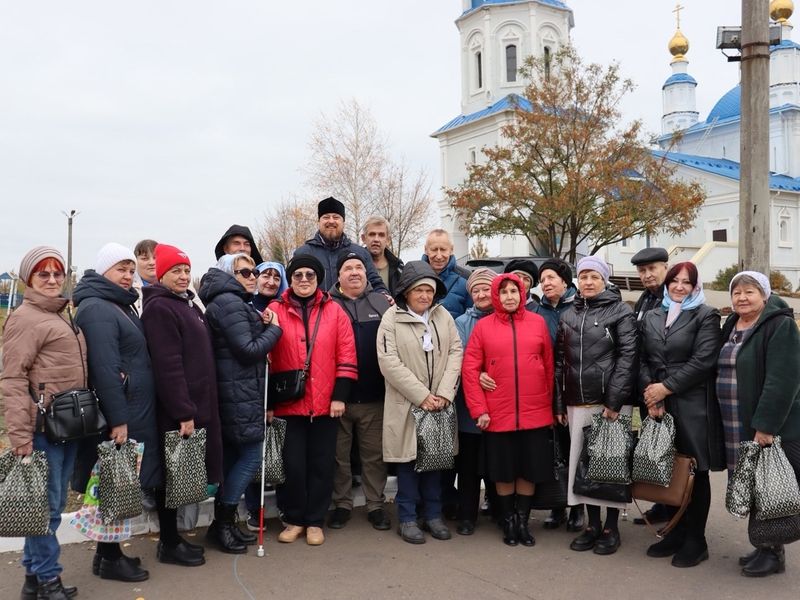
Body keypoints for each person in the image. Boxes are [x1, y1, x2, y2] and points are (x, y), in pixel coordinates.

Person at [73, 244, 171, 581]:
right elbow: (105, 368)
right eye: (121, 269)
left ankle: (106, 555)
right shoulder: (98, 308)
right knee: (115, 484)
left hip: (133, 409)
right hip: (122, 414)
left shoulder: (117, 305)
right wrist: (118, 420)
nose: (129, 275)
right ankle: (111, 558)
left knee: (119, 484)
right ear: (103, 271)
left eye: (131, 269)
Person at [1, 247, 82, 600]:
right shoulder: (25, 318)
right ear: (28, 279)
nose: (52, 280)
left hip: (68, 426)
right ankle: (49, 580)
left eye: (56, 273)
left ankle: (34, 581)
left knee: (49, 507)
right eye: (43, 274)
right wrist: (20, 436)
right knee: (46, 510)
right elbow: (12, 378)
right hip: (43, 431)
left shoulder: (60, 313)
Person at [638, 261, 724, 567]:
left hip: (692, 404)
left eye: (686, 282)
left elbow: (704, 361)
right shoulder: (652, 315)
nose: (679, 287)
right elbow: (643, 358)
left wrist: (666, 388)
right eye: (675, 281)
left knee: (694, 471)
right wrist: (651, 392)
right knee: (668, 467)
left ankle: (696, 540)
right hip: (658, 402)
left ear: (695, 286)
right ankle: (675, 531)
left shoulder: (705, 315)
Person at [268, 254, 357, 546]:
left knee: (321, 465)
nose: (303, 280)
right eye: (298, 275)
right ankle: (294, 518)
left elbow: (346, 354)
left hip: (324, 405)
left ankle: (315, 520)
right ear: (290, 279)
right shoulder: (274, 309)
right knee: (292, 466)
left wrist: (339, 396)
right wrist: (268, 403)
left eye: (309, 275)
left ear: (318, 279)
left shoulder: (335, 311)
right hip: (287, 405)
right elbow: (265, 360)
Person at [141, 244, 224, 554]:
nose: (183, 276)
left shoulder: (187, 303)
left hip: (200, 402)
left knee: (181, 473)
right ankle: (169, 542)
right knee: (171, 474)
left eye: (187, 270)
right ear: (161, 274)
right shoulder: (160, 308)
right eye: (175, 270)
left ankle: (174, 540)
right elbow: (168, 366)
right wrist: (183, 412)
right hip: (180, 409)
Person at [462, 273, 555, 547]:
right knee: (504, 471)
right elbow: (470, 370)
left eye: (514, 291)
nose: (509, 297)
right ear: (496, 297)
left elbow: (549, 368)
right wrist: (479, 409)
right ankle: (509, 521)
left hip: (534, 412)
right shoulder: (483, 328)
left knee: (527, 470)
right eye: (503, 292)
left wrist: (550, 407)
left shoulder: (537, 323)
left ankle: (523, 522)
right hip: (497, 413)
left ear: (522, 293)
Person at [717, 271, 800, 577]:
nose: (742, 297)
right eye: (736, 292)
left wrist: (765, 425)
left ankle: (774, 552)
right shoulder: (732, 325)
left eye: (749, 291)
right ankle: (763, 544)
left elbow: (783, 380)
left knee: (769, 485)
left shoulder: (780, 325)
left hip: (767, 426)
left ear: (764, 295)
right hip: (734, 421)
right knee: (752, 484)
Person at [199, 253, 283, 553]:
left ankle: (225, 522)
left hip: (239, 390)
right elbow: (247, 350)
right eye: (244, 272)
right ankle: (222, 522)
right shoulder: (230, 302)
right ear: (228, 274)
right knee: (250, 456)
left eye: (253, 271)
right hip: (237, 393)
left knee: (237, 459)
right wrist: (274, 329)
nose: (252, 276)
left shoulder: (230, 302)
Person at [554, 255, 637, 556]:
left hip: (610, 405)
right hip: (578, 402)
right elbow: (560, 363)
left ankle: (611, 527)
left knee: (610, 466)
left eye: (594, 277)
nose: (588, 282)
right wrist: (560, 403)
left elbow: (628, 360)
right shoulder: (568, 315)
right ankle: (591, 524)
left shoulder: (621, 312)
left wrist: (614, 402)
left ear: (604, 280)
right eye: (584, 276)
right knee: (582, 466)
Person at [377, 261, 463, 544]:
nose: (425, 296)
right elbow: (389, 363)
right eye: (419, 290)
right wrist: (422, 396)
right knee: (408, 463)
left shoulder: (443, 317)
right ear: (406, 292)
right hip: (408, 404)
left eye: (429, 290)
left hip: (439, 403)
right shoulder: (391, 319)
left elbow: (454, 351)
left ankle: (434, 515)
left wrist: (443, 393)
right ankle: (407, 517)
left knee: (435, 463)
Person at [327, 252, 392, 531]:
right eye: (347, 268)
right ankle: (341, 504)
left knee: (373, 456)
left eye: (359, 268)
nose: (354, 272)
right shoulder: (327, 305)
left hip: (374, 397)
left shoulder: (383, 303)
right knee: (338, 456)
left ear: (367, 274)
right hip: (337, 399)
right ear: (338, 276)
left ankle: (375, 504)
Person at [531, 258, 584, 532]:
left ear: (565, 280)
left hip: (573, 386)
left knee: (574, 446)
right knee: (554, 448)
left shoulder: (579, 307)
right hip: (545, 388)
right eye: (542, 280)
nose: (546, 283)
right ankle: (557, 503)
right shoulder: (539, 311)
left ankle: (577, 507)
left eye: (551, 278)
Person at [243, 259, 288, 530]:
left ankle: (283, 505)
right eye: (265, 275)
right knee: (254, 453)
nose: (270, 281)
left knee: (279, 452)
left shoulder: (283, 308)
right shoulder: (246, 307)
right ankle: (252, 508)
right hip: (252, 387)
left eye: (275, 277)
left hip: (280, 386)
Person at [453, 268, 498, 535]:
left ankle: (499, 510)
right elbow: (458, 356)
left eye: (485, 289)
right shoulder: (461, 322)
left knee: (496, 462)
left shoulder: (508, 319)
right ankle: (467, 515)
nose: (481, 294)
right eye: (476, 290)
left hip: (500, 404)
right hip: (469, 406)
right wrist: (477, 373)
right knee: (468, 466)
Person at [630, 247, 672, 526]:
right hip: (647, 387)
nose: (647, 275)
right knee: (654, 448)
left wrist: (661, 388)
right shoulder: (645, 300)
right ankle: (662, 503)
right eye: (642, 271)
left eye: (652, 269)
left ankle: (676, 508)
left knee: (672, 449)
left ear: (665, 267)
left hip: (668, 388)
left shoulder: (675, 297)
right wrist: (646, 387)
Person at [293, 197, 387, 293]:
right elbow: (293, 287)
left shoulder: (360, 253)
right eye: (326, 217)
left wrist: (384, 295)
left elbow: (375, 283)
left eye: (336, 217)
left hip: (353, 308)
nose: (331, 221)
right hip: (315, 308)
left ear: (343, 222)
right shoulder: (303, 254)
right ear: (319, 221)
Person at [421, 228, 471, 320]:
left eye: (443, 250)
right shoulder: (415, 277)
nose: (439, 256)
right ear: (426, 250)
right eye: (434, 250)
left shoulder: (466, 278)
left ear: (451, 250)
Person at [361, 215, 404, 296]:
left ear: (388, 240)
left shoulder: (399, 268)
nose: (376, 239)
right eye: (372, 234)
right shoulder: (354, 267)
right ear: (363, 238)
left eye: (381, 235)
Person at [132, 239, 158, 313]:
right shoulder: (128, 289)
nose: (151, 262)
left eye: (155, 258)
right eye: (144, 259)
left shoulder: (179, 286)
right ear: (135, 261)